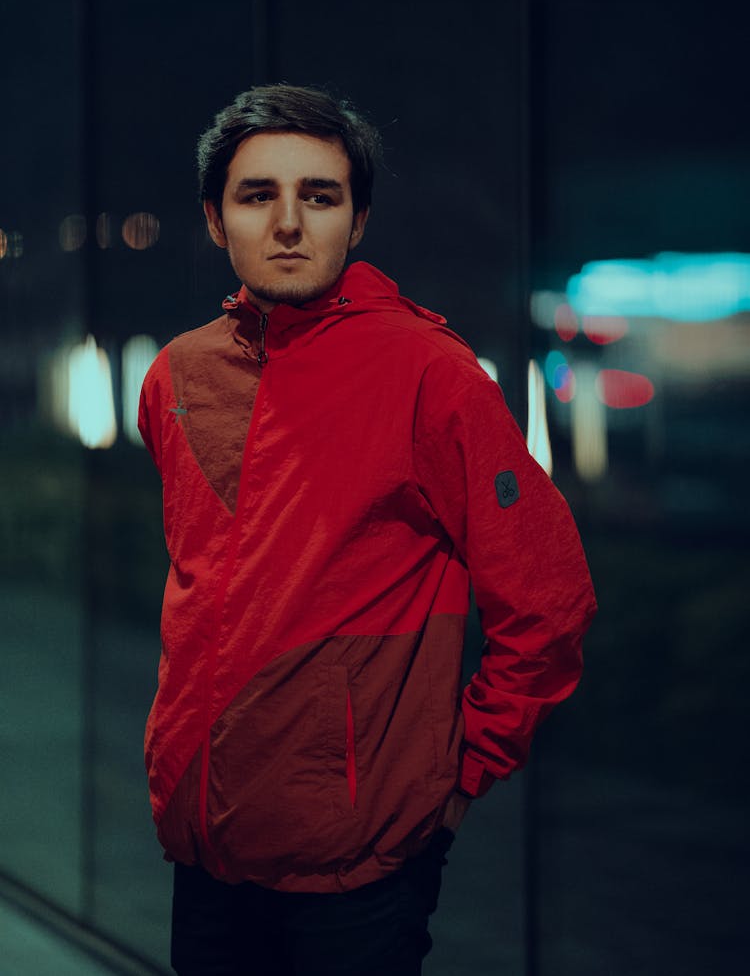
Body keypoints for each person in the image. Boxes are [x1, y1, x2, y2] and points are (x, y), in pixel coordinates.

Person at [138, 83, 596, 976]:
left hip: (356, 878)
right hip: (203, 851)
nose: (288, 223)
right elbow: (205, 593)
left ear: (358, 221)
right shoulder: (177, 377)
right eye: (256, 194)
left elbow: (548, 602)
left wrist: (460, 782)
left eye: (320, 194)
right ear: (212, 218)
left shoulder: (433, 375)